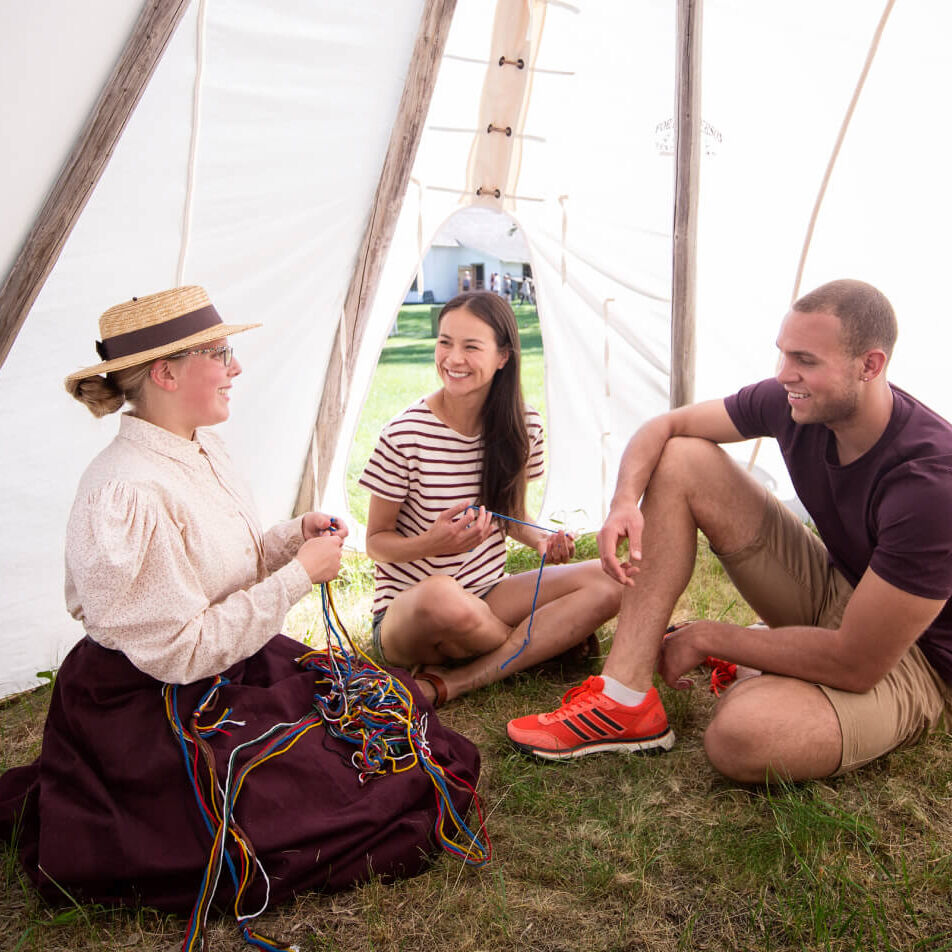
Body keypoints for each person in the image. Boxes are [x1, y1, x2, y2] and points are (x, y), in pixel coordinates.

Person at [0, 286, 479, 917]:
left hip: (227, 662)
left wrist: (290, 540)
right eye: (221, 353)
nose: (237, 367)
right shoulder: (125, 492)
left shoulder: (198, 445)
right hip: (152, 701)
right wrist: (298, 577)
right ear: (166, 373)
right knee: (324, 803)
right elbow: (179, 649)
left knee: (388, 742)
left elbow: (221, 564)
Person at [508, 279, 952, 782]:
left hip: (913, 659)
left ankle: (762, 663)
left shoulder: (931, 484)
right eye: (782, 354)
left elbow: (857, 662)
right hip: (842, 589)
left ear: (870, 366)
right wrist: (622, 504)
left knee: (743, 735)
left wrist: (710, 636)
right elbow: (666, 427)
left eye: (805, 360)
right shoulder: (792, 402)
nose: (785, 375)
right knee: (682, 457)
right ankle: (623, 698)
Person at [360, 291, 622, 705]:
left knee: (613, 581)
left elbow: (511, 513)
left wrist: (542, 540)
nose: (452, 358)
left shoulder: (524, 425)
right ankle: (539, 647)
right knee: (440, 592)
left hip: (486, 596)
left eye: (470, 346)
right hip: (412, 614)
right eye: (445, 342)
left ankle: (456, 679)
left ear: (503, 357)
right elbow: (375, 542)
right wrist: (433, 543)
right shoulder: (404, 434)